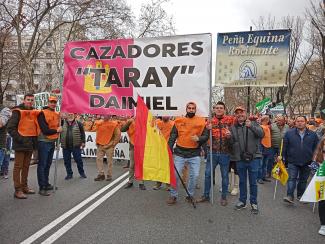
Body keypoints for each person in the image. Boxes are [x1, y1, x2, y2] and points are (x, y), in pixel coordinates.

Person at [167, 102, 208, 205]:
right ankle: (173, 195)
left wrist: (199, 138)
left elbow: (206, 136)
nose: (191, 110)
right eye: (189, 108)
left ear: (195, 109)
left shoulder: (201, 121)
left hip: (194, 153)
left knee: (194, 176)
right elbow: (173, 135)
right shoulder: (178, 120)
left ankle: (189, 195)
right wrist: (168, 148)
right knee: (175, 175)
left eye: (193, 108)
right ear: (186, 109)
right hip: (180, 153)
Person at [197, 101, 234, 206]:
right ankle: (206, 195)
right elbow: (204, 136)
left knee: (224, 176)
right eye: (217, 108)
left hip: (225, 153)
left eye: (221, 108)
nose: (219, 109)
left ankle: (224, 197)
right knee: (208, 174)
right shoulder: (209, 121)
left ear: (224, 109)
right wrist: (206, 129)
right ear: (214, 109)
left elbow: (240, 125)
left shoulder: (230, 120)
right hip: (212, 152)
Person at [230, 106, 264, 214]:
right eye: (237, 113)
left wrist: (251, 126)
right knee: (242, 181)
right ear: (235, 115)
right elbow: (231, 143)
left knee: (253, 182)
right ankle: (242, 201)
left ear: (246, 113)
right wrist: (228, 137)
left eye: (242, 112)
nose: (240, 114)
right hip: (240, 159)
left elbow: (261, 134)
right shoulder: (233, 127)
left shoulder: (253, 123)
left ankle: (254, 203)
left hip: (254, 158)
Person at [7, 94, 39, 199]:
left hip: (30, 144)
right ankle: (18, 190)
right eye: (28, 99)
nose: (30, 101)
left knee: (26, 167)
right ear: (24, 100)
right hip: (20, 144)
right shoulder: (17, 111)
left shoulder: (34, 111)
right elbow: (11, 128)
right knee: (18, 167)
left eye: (32, 100)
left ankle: (25, 186)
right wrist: (21, 139)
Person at [283, 116, 319, 204]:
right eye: (298, 121)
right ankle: (289, 196)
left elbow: (316, 148)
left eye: (302, 121)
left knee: (303, 180)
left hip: (307, 161)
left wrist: (315, 159)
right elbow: (285, 147)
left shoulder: (313, 134)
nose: (300, 123)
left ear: (306, 122)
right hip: (293, 160)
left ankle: (300, 195)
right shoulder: (289, 133)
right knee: (292, 178)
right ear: (295, 123)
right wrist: (284, 158)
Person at [36, 96, 62, 196]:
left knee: (48, 164)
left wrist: (62, 119)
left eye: (54, 102)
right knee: (42, 165)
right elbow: (45, 130)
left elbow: (59, 126)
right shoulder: (42, 113)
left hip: (51, 142)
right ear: (48, 102)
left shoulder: (56, 114)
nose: (53, 104)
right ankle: (42, 187)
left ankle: (46, 183)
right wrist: (56, 130)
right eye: (51, 102)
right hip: (43, 141)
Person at [94, 115, 121, 181]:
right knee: (99, 159)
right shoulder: (100, 123)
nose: (104, 116)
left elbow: (117, 135)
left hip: (109, 146)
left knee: (109, 161)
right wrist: (97, 142)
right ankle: (101, 174)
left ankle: (109, 175)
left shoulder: (114, 124)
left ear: (109, 116)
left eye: (106, 115)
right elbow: (98, 133)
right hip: (100, 145)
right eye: (104, 114)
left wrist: (112, 144)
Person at [121, 118, 146, 190]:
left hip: (142, 146)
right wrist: (128, 122)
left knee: (140, 165)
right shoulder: (130, 121)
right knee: (132, 165)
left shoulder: (144, 121)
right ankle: (130, 182)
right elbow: (122, 130)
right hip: (132, 146)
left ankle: (141, 183)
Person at [61, 113, 87, 180]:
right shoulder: (61, 123)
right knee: (67, 161)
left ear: (74, 115)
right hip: (65, 146)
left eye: (71, 114)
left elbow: (82, 133)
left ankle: (82, 173)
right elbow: (58, 133)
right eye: (68, 114)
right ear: (66, 115)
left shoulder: (79, 123)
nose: (70, 116)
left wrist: (83, 142)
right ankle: (69, 174)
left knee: (78, 160)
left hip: (76, 145)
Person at [153, 116, 175, 190]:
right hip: (159, 148)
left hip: (169, 148)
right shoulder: (157, 123)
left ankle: (168, 185)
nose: (165, 116)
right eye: (163, 114)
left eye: (167, 114)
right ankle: (158, 184)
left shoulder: (173, 124)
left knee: (168, 167)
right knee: (159, 166)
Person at [312, 137, 325, 236]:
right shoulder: (320, 147)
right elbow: (314, 164)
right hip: (322, 178)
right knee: (322, 200)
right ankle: (323, 224)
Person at [257, 115, 272, 184]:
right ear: (265, 120)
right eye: (267, 119)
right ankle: (259, 178)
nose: (268, 121)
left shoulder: (267, 127)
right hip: (262, 147)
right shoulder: (261, 127)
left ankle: (263, 176)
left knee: (265, 164)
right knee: (261, 164)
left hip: (268, 147)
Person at [0, 105, 12, 179]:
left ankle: (5, 170)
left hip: (7, 137)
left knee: (7, 154)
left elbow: (1, 124)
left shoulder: (5, 109)